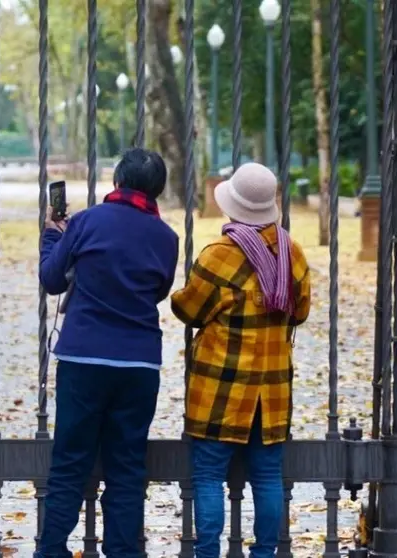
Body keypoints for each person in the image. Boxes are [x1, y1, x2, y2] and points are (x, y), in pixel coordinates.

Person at [36, 148, 179, 558]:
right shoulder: (167, 237)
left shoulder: (86, 222)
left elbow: (51, 280)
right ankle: (122, 551)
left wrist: (52, 236)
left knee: (70, 461)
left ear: (117, 181)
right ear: (158, 190)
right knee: (128, 467)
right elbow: (159, 290)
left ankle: (51, 549)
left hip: (84, 358)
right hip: (138, 363)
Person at [170, 162, 311, 558]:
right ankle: (265, 554)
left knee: (209, 476)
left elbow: (189, 310)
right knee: (267, 478)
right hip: (272, 391)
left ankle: (208, 553)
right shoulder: (291, 253)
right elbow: (300, 312)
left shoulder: (220, 255)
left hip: (220, 389)